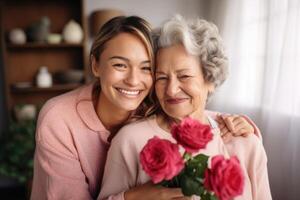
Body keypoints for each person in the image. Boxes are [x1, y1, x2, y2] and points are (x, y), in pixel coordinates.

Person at [31, 16, 260, 200]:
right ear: (95, 65)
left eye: (146, 68)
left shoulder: (152, 101)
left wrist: (233, 123)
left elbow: (189, 106)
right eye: (120, 65)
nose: (133, 80)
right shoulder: (59, 118)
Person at [99, 15, 272, 200]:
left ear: (210, 80)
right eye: (162, 78)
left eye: (184, 76)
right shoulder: (129, 140)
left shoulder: (245, 142)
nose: (171, 90)